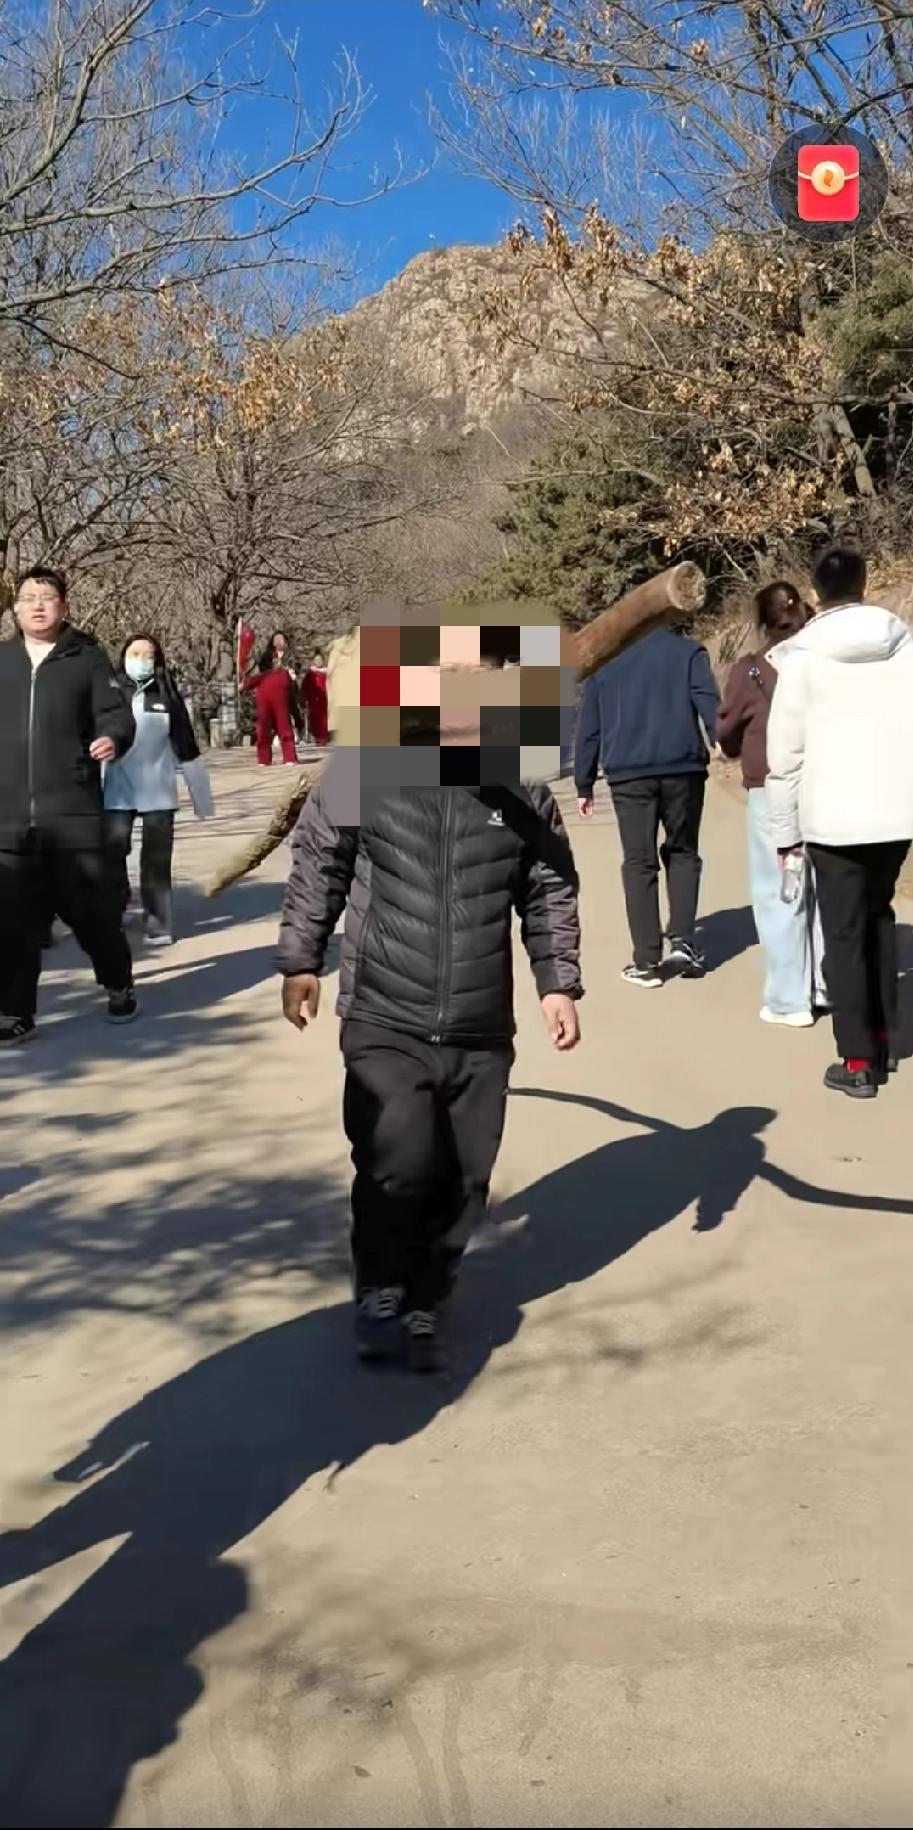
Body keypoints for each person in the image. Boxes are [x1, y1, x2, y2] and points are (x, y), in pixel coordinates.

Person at [278, 637, 583, 1372]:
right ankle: (380, 1289)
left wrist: (556, 981)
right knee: (397, 1160)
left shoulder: (521, 785)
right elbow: (319, 863)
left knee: (465, 1178)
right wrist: (301, 960)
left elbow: (547, 885)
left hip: (480, 1022)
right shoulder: (365, 770)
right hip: (384, 1013)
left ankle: (427, 1294)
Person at [767, 546, 913, 1098]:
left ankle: (857, 1059)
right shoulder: (902, 645)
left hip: (831, 820)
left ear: (816, 592)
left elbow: (786, 755)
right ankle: (883, 1035)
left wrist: (784, 835)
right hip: (895, 814)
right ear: (865, 584)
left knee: (844, 934)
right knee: (879, 918)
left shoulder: (802, 656)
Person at [0, 567, 138, 1045]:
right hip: (8, 820)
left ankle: (118, 981)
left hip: (72, 813)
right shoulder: (3, 661)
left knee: (93, 914)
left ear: (63, 605)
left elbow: (115, 713)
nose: (37, 605)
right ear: (15, 607)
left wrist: (112, 737)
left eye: (47, 596)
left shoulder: (87, 658)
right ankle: (14, 1010)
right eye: (28, 597)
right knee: (12, 922)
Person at [574, 620, 720, 986]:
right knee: (683, 851)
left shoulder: (606, 663)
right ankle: (683, 943)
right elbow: (709, 704)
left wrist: (584, 782)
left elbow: (589, 727)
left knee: (639, 862)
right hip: (683, 767)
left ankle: (646, 961)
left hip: (629, 774)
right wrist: (721, 739)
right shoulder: (688, 652)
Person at [717, 581, 827, 1027]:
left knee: (780, 889)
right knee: (821, 886)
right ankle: (825, 983)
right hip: (823, 785)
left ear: (762, 623)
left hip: (771, 787)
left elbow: (727, 733)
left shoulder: (752, 670)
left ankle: (788, 999)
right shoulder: (823, 660)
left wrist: (733, 746)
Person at [104, 633, 213, 946]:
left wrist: (202, 798)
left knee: (156, 861)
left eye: (148, 655)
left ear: (158, 661)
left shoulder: (166, 694)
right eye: (135, 654)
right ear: (123, 657)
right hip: (117, 789)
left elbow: (185, 744)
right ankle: (116, 905)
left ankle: (159, 923)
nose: (141, 660)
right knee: (111, 852)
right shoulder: (110, 693)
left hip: (158, 790)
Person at [244, 631, 299, 766]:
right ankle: (264, 758)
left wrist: (291, 673)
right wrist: (243, 683)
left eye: (281, 639)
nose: (279, 641)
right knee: (263, 728)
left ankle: (290, 757)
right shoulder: (266, 662)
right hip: (266, 698)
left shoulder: (290, 657)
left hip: (285, 696)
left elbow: (296, 670)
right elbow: (253, 679)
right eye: (276, 639)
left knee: (285, 726)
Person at [301, 649, 328, 747]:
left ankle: (323, 738)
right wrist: (303, 698)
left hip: (323, 699)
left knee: (323, 719)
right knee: (314, 719)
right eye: (316, 660)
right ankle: (317, 737)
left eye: (320, 660)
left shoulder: (326, 672)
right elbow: (304, 687)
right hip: (312, 700)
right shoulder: (310, 674)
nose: (318, 662)